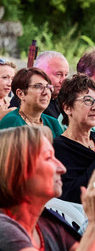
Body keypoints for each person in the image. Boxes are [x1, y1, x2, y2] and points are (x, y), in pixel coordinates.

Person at [53, 74, 95, 203]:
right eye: (88, 100)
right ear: (67, 108)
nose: (94, 106)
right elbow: (72, 194)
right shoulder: (57, 148)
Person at [0, 68, 66, 138]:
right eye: (38, 87)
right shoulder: (11, 122)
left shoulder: (53, 123)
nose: (45, 92)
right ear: (21, 94)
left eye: (48, 87)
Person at [9, 51, 71, 123]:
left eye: (66, 75)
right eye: (58, 74)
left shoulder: (64, 99)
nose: (63, 80)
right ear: (40, 72)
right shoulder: (26, 100)